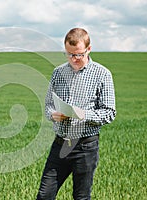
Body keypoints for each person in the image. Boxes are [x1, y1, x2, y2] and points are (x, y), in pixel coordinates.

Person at [36, 28, 116, 200]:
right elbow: (49, 105)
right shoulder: (58, 72)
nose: (73, 59)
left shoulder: (102, 74)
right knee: (44, 195)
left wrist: (82, 114)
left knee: (81, 197)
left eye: (78, 55)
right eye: (69, 54)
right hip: (60, 144)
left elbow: (109, 113)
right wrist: (54, 115)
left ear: (89, 49)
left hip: (86, 147)